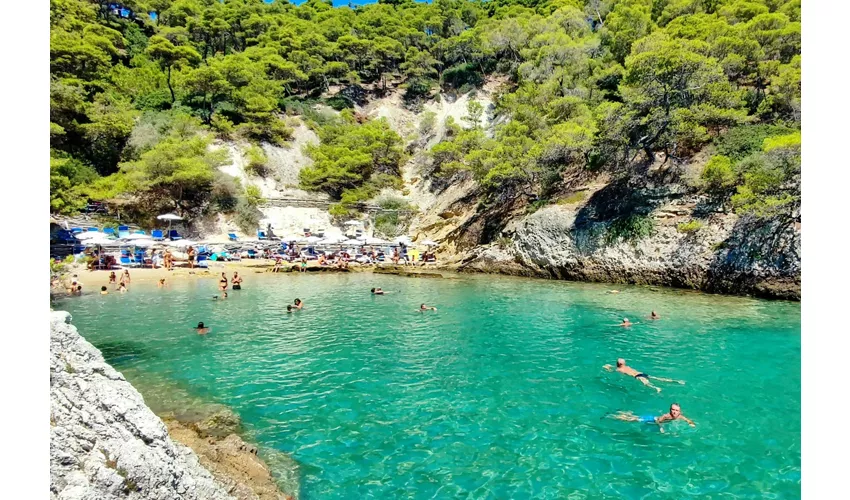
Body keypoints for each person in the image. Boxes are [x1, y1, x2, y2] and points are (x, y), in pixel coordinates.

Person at [603, 358, 684, 392]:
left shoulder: (619, 369)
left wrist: (607, 367)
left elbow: (612, 370)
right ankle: (676, 381)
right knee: (658, 378)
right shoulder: (627, 367)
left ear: (617, 364)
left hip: (638, 377)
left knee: (648, 384)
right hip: (641, 373)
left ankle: (657, 388)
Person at [610, 403, 695, 433]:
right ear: (670, 410)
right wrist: (661, 428)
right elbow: (658, 421)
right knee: (631, 419)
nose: (674, 412)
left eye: (676, 410)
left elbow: (687, 420)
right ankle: (615, 416)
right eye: (673, 409)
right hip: (650, 419)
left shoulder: (680, 416)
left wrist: (691, 424)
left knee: (634, 418)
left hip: (652, 419)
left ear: (679, 412)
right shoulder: (666, 416)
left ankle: (625, 413)